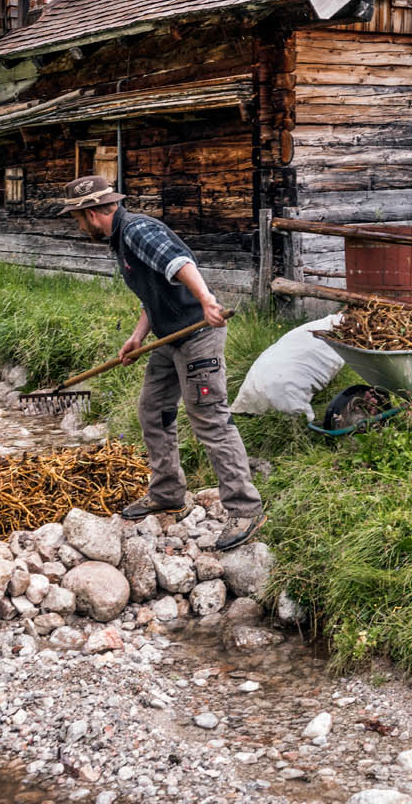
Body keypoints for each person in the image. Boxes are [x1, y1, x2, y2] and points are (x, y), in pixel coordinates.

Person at [59, 174, 265, 551]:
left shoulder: (137, 230)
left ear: (93, 213)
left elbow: (178, 263)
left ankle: (246, 508)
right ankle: (168, 492)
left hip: (198, 336)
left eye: (78, 217)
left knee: (209, 419)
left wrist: (205, 300)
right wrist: (138, 335)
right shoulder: (120, 239)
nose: (79, 225)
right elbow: (153, 291)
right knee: (152, 411)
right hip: (167, 339)